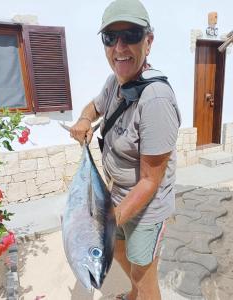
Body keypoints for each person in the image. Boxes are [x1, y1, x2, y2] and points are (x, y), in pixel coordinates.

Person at [70, 0, 181, 299]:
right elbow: (95, 106)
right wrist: (83, 119)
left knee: (144, 275)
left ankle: (139, 292)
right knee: (120, 253)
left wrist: (105, 222)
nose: (119, 47)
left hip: (146, 208)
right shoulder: (115, 82)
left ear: (148, 40)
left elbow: (150, 181)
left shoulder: (155, 99)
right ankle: (132, 294)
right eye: (110, 38)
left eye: (130, 35)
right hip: (115, 198)